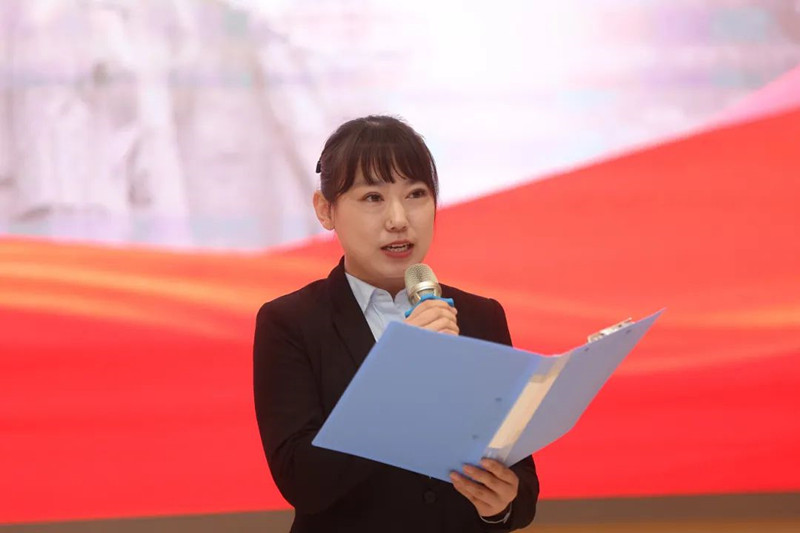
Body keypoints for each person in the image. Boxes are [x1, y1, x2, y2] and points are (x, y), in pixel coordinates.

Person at [253, 115, 539, 532]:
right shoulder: (290, 323)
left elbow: (522, 487)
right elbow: (303, 481)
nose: (399, 219)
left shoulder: (481, 316)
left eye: (416, 194)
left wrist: (500, 504)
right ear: (325, 209)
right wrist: (403, 369)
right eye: (373, 197)